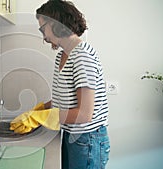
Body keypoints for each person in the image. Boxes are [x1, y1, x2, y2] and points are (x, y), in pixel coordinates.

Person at [35, 0, 110, 168]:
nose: (44, 37)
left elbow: (84, 114)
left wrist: (43, 117)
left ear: (55, 23)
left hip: (88, 139)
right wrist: (43, 108)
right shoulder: (62, 56)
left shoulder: (82, 55)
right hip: (71, 134)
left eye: (42, 29)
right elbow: (67, 101)